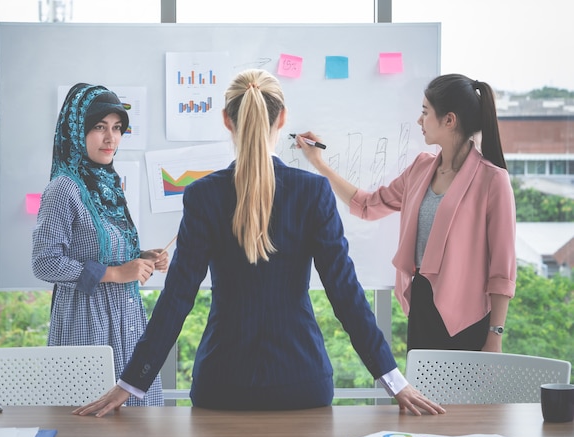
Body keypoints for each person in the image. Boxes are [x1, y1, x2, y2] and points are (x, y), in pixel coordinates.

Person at [72, 69, 445, 416]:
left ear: (225, 120)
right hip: (302, 382)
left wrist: (130, 382)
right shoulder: (312, 191)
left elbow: (177, 298)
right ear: (281, 119)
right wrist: (394, 381)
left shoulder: (204, 195)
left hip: (222, 382)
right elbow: (345, 294)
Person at [295, 74, 516, 353]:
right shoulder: (421, 169)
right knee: (423, 397)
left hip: (468, 319)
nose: (419, 121)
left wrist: (494, 336)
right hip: (422, 306)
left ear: (449, 120)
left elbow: (502, 270)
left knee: (464, 399)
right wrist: (320, 165)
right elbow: (367, 205)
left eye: (425, 113)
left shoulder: (492, 180)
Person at [32, 83, 169, 406]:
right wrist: (116, 274)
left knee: (138, 424)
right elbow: (45, 262)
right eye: (98, 127)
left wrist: (142, 257)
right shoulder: (64, 188)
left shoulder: (107, 184)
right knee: (91, 424)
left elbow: (103, 250)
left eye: (117, 128)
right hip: (87, 321)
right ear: (76, 130)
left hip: (126, 319)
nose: (111, 138)